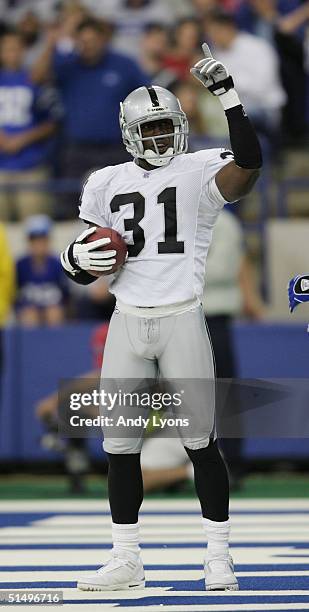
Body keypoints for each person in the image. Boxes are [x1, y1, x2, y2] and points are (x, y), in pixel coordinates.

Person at [60, 42, 262, 592]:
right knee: (120, 446)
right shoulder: (104, 182)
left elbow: (247, 166)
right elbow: (86, 265)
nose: (158, 138)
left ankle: (218, 555)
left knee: (201, 440)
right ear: (128, 133)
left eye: (164, 127)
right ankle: (126, 556)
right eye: (147, 130)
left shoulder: (199, 169)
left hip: (181, 316)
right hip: (128, 317)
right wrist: (74, 259)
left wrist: (230, 98)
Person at [32, 17, 149, 217]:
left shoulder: (124, 65)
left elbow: (146, 95)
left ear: (104, 40)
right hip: (77, 149)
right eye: (83, 41)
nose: (88, 46)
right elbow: (36, 77)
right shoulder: (67, 66)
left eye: (92, 41)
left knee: (127, 198)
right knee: (70, 204)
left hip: (117, 147)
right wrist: (53, 44)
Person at [0, 30, 61, 221]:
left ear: (24, 51)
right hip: (1, 166)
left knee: (34, 225)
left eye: (16, 49)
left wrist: (23, 138)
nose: (12, 53)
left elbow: (52, 122)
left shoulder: (36, 80)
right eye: (7, 49)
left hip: (30, 165)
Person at [203, 9, 286, 147]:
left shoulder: (257, 47)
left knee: (239, 120)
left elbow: (262, 87)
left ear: (229, 27)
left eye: (215, 31)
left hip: (265, 106)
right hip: (233, 107)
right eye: (210, 33)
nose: (212, 37)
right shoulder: (216, 54)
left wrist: (229, 83)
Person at [16, 215, 69, 325]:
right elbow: (16, 294)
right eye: (34, 240)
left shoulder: (58, 264)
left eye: (42, 239)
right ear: (29, 242)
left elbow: (66, 296)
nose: (39, 245)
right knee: (30, 316)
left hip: (53, 308)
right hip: (29, 308)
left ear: (48, 241)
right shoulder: (20, 265)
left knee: (54, 313)